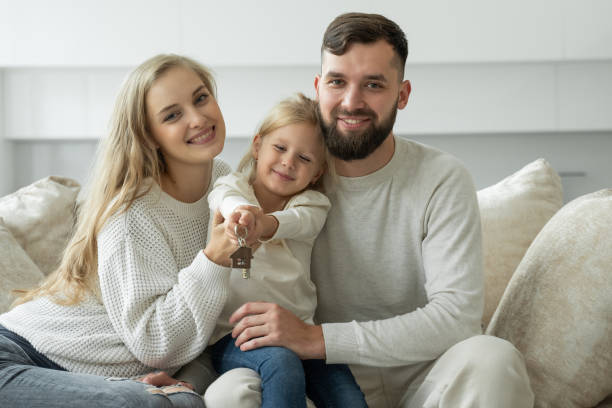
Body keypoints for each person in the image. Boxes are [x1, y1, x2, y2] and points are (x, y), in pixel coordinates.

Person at [204, 12, 535, 408]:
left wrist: (317, 338)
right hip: (315, 382)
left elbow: (456, 318)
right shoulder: (279, 177)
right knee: (231, 393)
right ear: (318, 87)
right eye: (337, 81)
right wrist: (185, 374)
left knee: (493, 359)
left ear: (402, 94)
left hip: (426, 381)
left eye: (373, 85)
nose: (351, 101)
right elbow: (208, 289)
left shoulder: (442, 178)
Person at [0, 54, 238, 408]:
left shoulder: (226, 185)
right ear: (149, 135)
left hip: (89, 375)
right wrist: (214, 259)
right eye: (173, 115)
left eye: (201, 98)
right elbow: (155, 343)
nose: (198, 118)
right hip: (19, 356)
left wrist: (188, 380)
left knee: (184, 402)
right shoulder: (132, 213)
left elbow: (212, 322)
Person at [192, 93, 365, 407]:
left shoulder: (312, 203)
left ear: (317, 173)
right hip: (234, 336)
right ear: (258, 146)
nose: (288, 162)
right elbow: (224, 199)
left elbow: (300, 222)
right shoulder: (232, 186)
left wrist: (265, 224)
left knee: (347, 396)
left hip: (301, 332)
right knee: (280, 365)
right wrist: (241, 215)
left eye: (305, 158)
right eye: (280, 148)